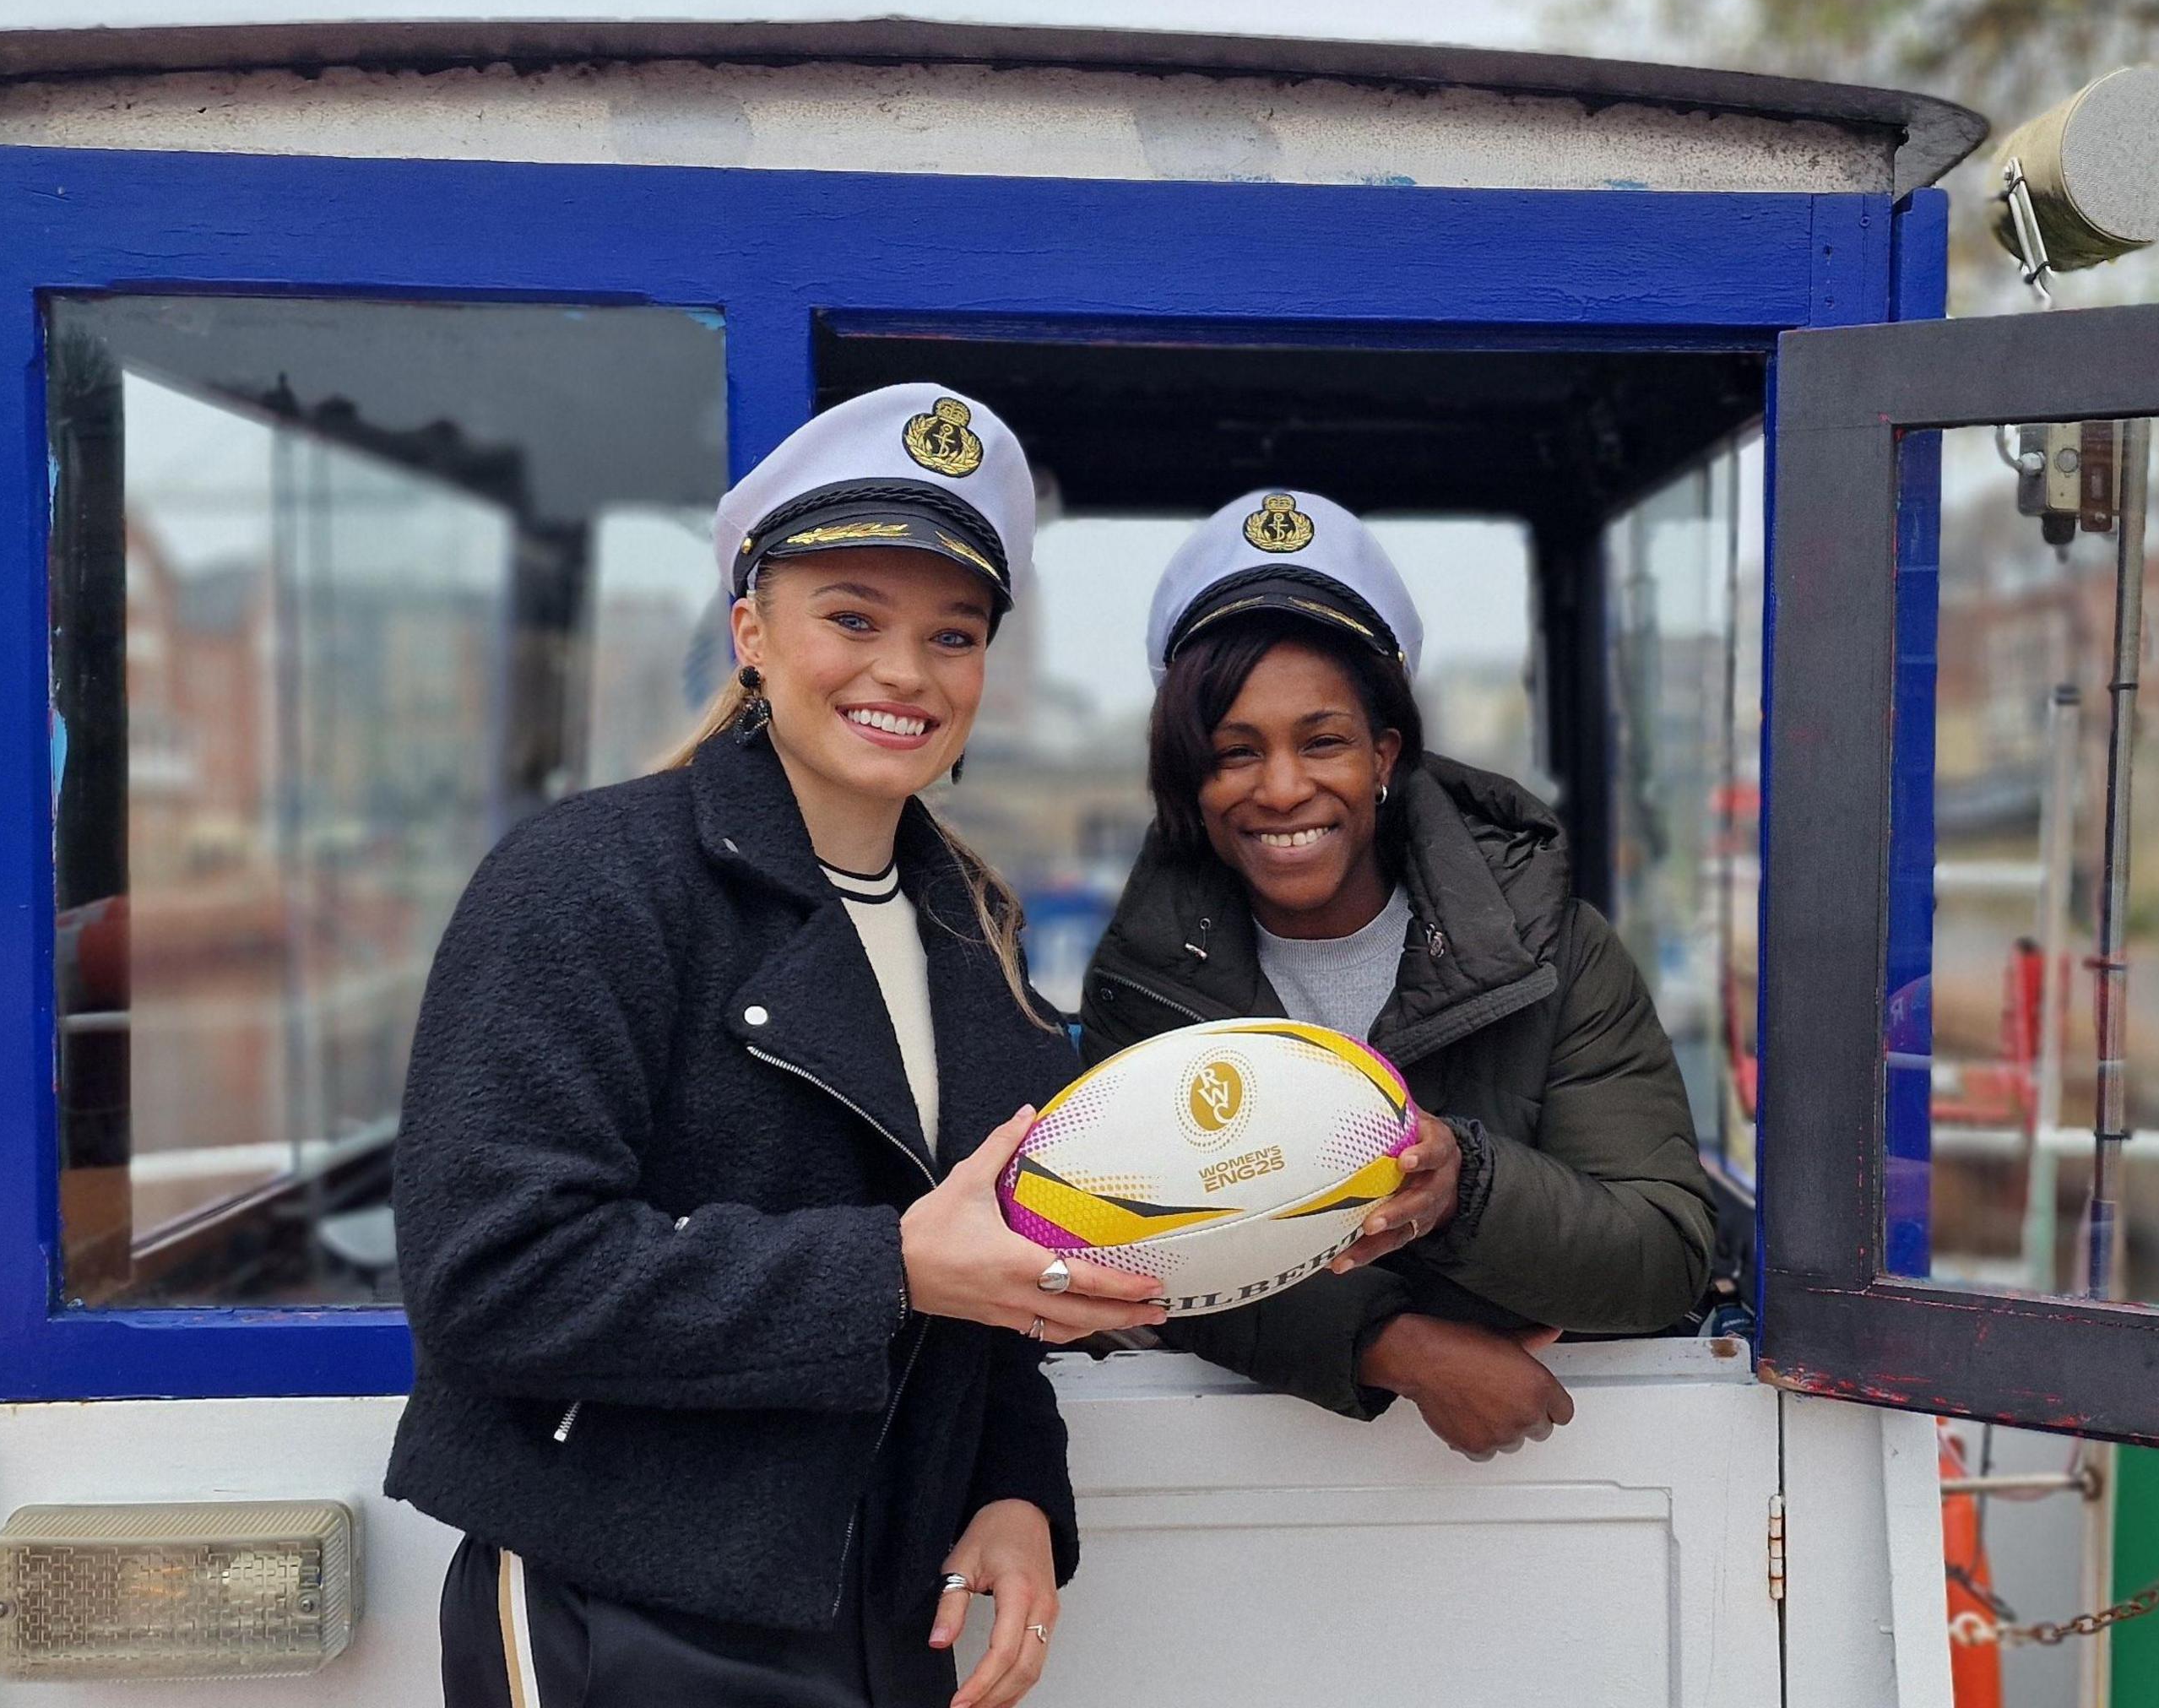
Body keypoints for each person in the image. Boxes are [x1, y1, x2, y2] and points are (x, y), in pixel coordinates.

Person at [387, 384, 1168, 1708]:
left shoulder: (970, 924)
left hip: (889, 1604)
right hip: (625, 1597)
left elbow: (983, 1283)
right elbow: (490, 1279)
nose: (905, 673)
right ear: (751, 630)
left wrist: (1015, 1488)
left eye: (953, 634)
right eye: (851, 618)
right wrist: (893, 1266)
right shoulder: (588, 880)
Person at [1077, 489, 1713, 1461]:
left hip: (1568, 1478)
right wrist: (1398, 1348)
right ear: (1190, 781)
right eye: (1234, 753)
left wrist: (1469, 1187)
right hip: (1253, 1484)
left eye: (1322, 740)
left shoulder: (1553, 953)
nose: (1283, 788)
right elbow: (1141, 1254)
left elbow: (1663, 1254)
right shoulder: (1145, 984)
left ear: (1385, 753)